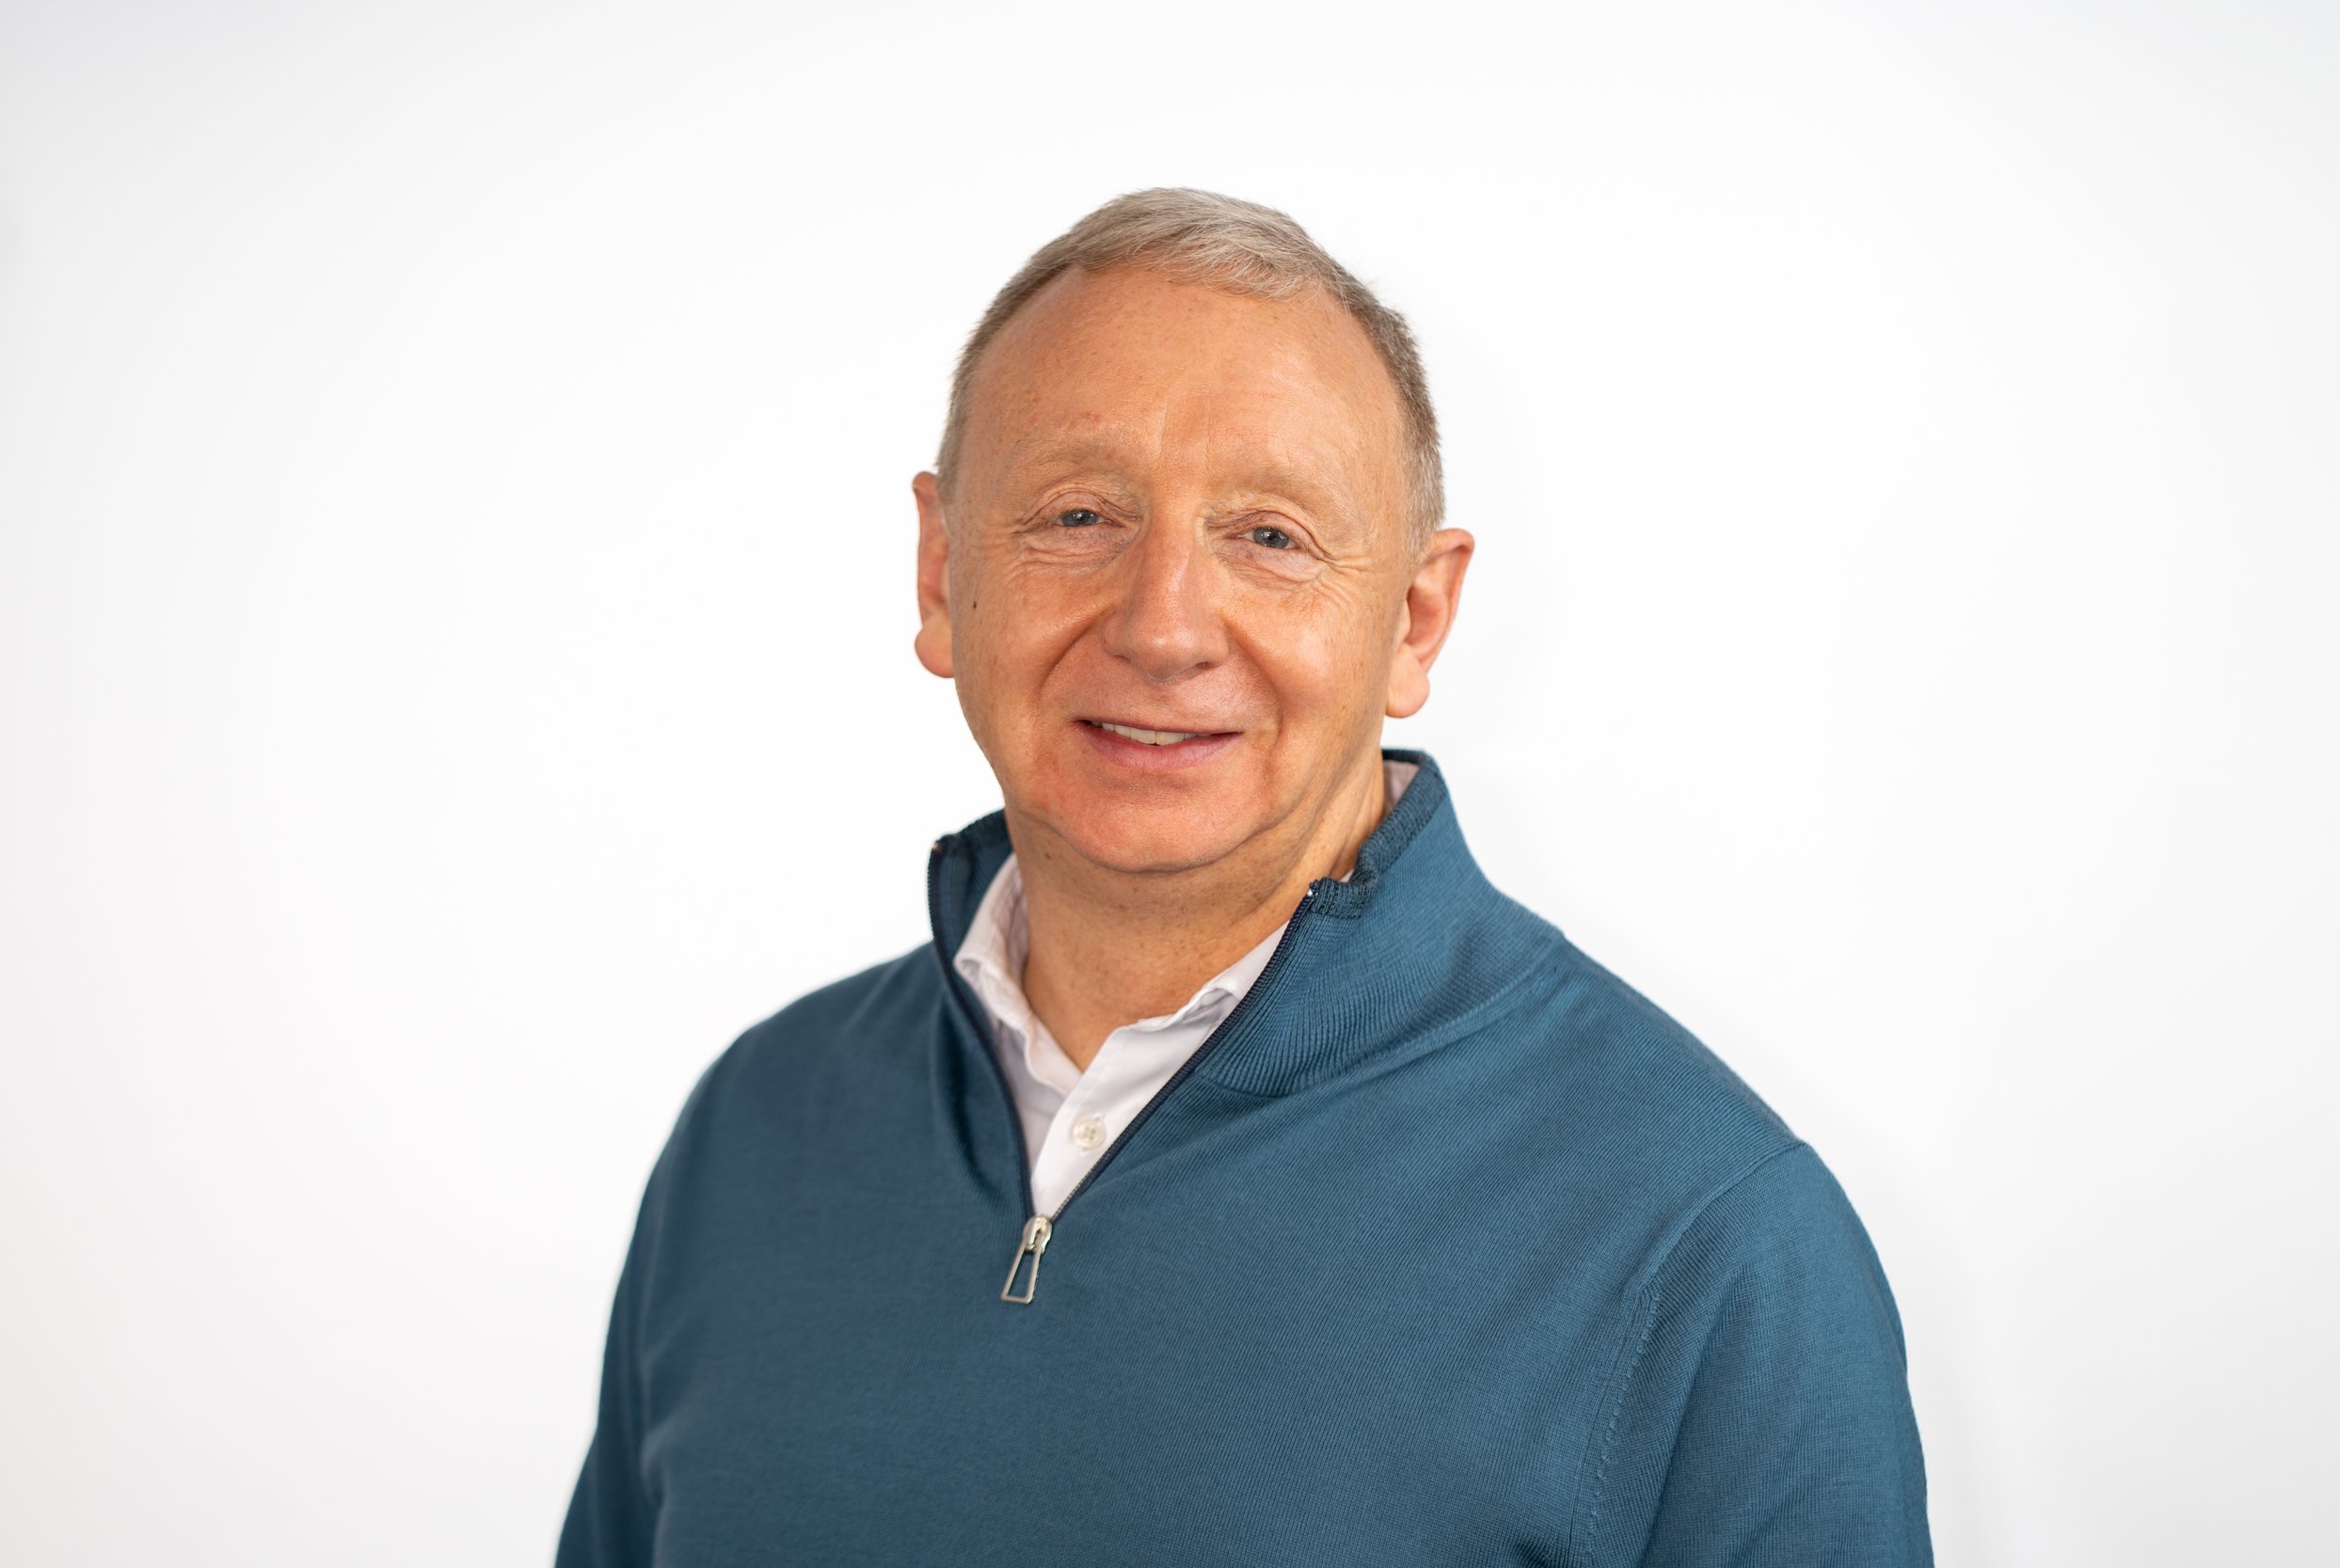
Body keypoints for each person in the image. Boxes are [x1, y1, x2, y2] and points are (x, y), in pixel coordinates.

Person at [556, 188, 1931, 1566]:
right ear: (940, 569)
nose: (1163, 629)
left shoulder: (1711, 1241)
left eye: (1270, 537)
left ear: (1415, 619)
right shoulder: (756, 1130)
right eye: (1079, 514)